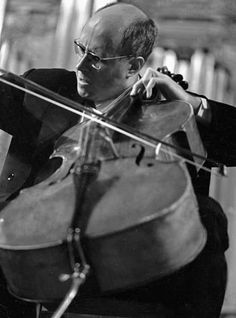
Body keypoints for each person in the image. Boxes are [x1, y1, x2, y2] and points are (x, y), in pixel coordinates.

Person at [0, 2, 235, 318]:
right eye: (80, 49)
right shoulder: (47, 87)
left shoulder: (169, 114)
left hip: (125, 255)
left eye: (96, 59)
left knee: (209, 216)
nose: (81, 65)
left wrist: (192, 104)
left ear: (132, 64)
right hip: (31, 239)